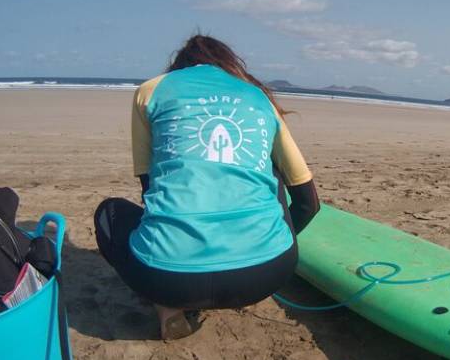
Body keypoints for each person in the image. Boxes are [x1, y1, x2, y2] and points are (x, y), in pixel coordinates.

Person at [94, 35, 320, 339]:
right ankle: (251, 253)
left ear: (179, 67)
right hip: (268, 273)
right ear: (228, 65)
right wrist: (268, 244)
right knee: (271, 168)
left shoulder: (152, 91)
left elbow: (151, 191)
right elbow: (308, 203)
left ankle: (168, 309)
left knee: (108, 213)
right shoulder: (257, 97)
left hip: (167, 278)